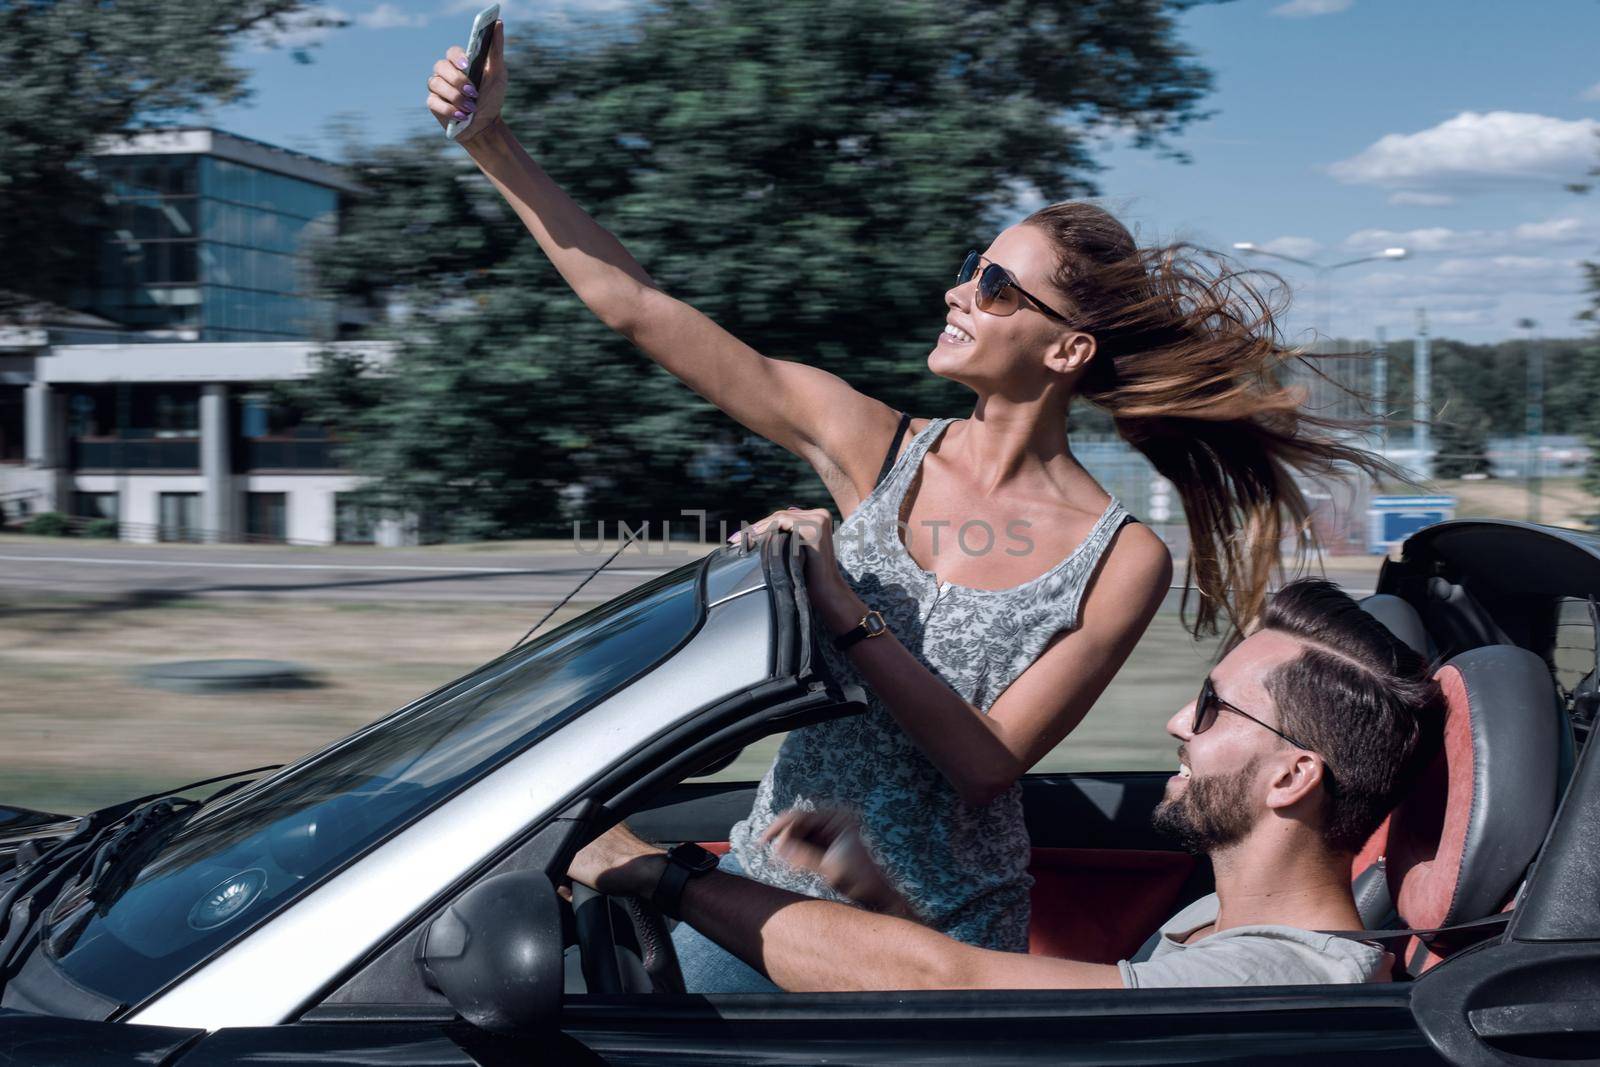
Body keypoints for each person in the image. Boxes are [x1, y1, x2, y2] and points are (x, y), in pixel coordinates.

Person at [424, 31, 1395, 988]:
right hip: (763, 898)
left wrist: (838, 596)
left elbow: (985, 763)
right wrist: (492, 145)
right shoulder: (869, 443)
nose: (958, 290)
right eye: (975, 265)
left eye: (996, 285)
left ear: (1065, 351)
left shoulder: (1120, 557)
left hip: (940, 939)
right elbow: (639, 305)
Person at [568, 580, 1442, 990]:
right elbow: (1008, 1019)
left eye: (1213, 708)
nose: (1178, 718)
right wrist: (877, 897)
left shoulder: (1270, 977)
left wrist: (663, 875)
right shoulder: (1215, 922)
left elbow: (952, 986)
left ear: (1294, 774)